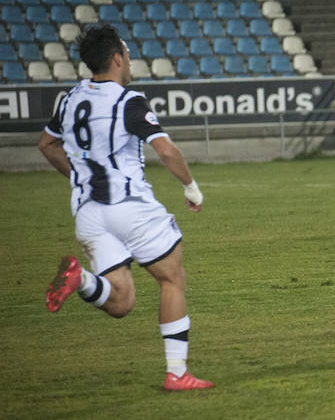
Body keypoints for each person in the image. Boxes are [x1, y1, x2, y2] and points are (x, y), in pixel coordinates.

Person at [38, 24, 213, 390]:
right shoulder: (127, 101)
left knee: (120, 301)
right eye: (127, 54)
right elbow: (165, 150)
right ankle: (177, 374)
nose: (129, 60)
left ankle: (81, 280)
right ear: (117, 58)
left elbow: (47, 145)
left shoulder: (69, 100)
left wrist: (79, 177)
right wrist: (191, 188)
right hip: (127, 205)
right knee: (172, 277)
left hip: (88, 214)